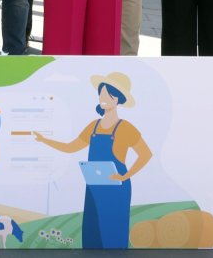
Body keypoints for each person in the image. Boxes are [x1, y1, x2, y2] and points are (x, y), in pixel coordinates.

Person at [34, 72, 152, 249]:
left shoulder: (125, 128)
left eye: (107, 94)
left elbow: (146, 154)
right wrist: (44, 140)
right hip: (94, 188)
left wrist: (125, 175)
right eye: (101, 94)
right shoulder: (93, 126)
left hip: (117, 189)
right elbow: (70, 147)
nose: (102, 98)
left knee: (113, 234)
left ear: (117, 99)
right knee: (92, 233)